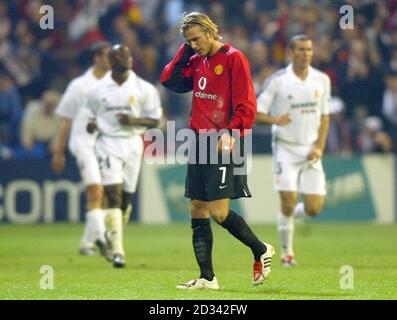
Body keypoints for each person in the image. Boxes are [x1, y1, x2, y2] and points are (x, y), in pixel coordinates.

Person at [161, 12, 275, 290]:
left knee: (219, 212)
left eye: (196, 39)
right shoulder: (197, 60)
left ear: (211, 32)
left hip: (225, 141)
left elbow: (247, 104)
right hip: (199, 141)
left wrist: (232, 132)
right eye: (188, 41)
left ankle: (261, 249)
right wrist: (186, 50)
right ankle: (207, 278)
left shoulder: (234, 58)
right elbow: (170, 81)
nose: (194, 45)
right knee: (197, 208)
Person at [256, 35, 330, 266]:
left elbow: (325, 116)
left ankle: (289, 217)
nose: (306, 53)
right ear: (290, 52)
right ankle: (287, 254)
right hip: (285, 148)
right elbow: (256, 114)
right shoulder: (277, 81)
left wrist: (319, 147)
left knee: (314, 208)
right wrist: (276, 119)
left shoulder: (322, 80)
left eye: (309, 49)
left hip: (310, 150)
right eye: (300, 49)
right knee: (287, 201)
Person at [85, 44, 162, 268]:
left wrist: (133, 121)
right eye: (120, 55)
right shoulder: (97, 90)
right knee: (113, 194)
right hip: (107, 143)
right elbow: (91, 117)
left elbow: (155, 120)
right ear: (111, 61)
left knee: (126, 200)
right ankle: (118, 251)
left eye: (128, 55)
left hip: (133, 144)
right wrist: (92, 125)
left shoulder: (144, 88)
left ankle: (112, 236)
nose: (127, 58)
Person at [52, 42, 112, 256]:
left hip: (104, 145)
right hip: (83, 144)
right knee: (95, 191)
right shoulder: (79, 86)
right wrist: (58, 152)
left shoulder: (113, 84)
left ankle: (87, 242)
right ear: (96, 58)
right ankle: (103, 240)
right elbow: (66, 120)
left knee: (103, 196)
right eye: (107, 55)